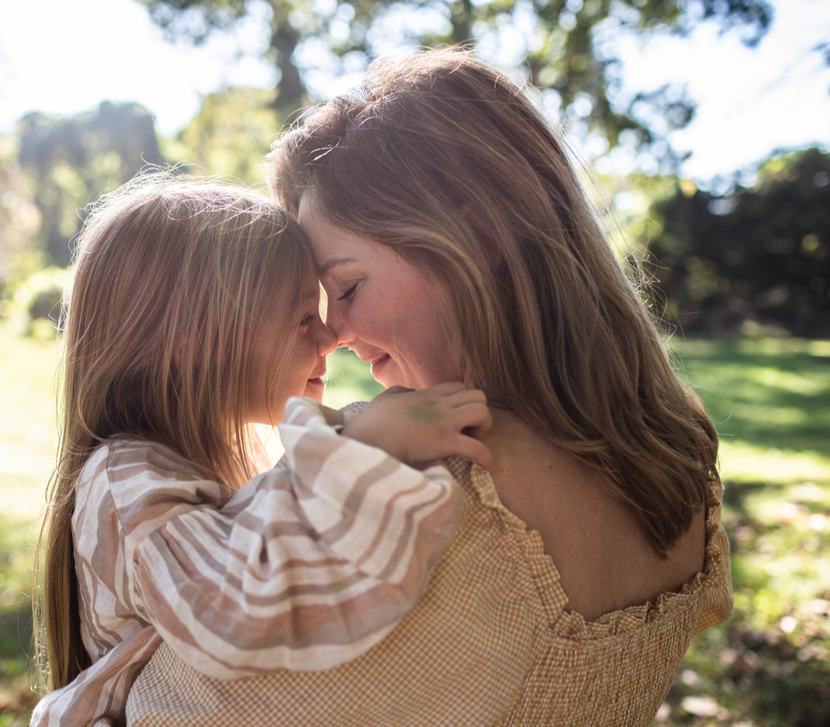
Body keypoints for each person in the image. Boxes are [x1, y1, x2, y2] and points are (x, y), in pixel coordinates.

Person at [123, 49, 734, 726]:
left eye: (348, 287)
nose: (339, 334)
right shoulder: (683, 453)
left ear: (476, 232)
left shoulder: (419, 481)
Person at [29, 174, 496, 727]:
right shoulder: (124, 481)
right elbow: (231, 610)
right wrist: (367, 446)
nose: (331, 338)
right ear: (190, 343)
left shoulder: (193, 462)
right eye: (303, 318)